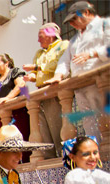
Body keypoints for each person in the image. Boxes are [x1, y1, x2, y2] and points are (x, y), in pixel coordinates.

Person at [47, 1, 109, 142]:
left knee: (105, 118)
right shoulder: (74, 40)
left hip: (101, 83)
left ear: (86, 12)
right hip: (81, 86)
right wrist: (58, 75)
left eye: (74, 19)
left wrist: (92, 53)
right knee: (88, 121)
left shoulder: (105, 26)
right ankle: (95, 153)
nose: (72, 24)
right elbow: (64, 60)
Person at [23, 23, 69, 158]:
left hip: (54, 92)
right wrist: (30, 77)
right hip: (40, 94)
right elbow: (37, 74)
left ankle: (64, 157)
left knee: (57, 128)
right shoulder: (39, 53)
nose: (38, 40)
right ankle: (50, 160)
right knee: (43, 132)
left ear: (50, 34)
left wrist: (36, 67)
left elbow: (57, 64)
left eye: (40, 36)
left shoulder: (63, 45)